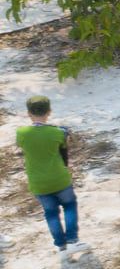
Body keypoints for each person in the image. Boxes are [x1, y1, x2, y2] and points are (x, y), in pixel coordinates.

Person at [17, 94, 81, 260]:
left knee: (51, 214)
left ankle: (61, 246)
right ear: (49, 111)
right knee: (69, 206)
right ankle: (73, 240)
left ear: (29, 113)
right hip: (60, 179)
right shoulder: (57, 132)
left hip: (38, 184)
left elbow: (22, 145)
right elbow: (65, 150)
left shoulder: (21, 133)